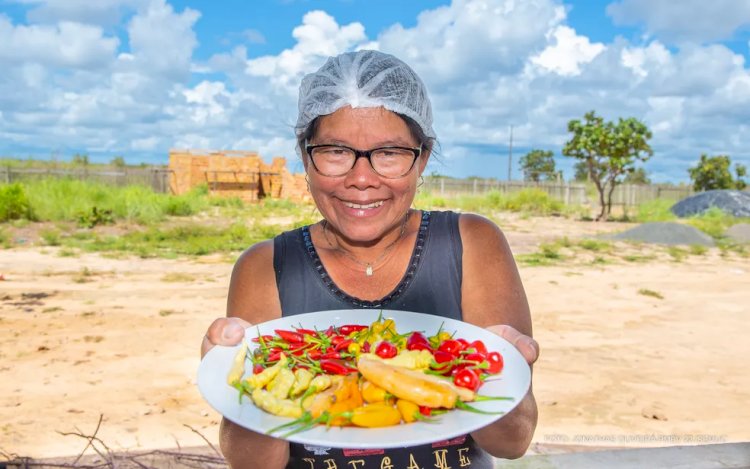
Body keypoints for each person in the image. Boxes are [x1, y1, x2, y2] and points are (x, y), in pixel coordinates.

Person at [201, 49, 539, 469]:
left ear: (423, 159)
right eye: (336, 151)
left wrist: (506, 376)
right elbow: (255, 464)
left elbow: (513, 442)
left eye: (390, 153)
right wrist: (241, 387)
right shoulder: (265, 266)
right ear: (306, 157)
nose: (362, 179)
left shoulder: (472, 243)